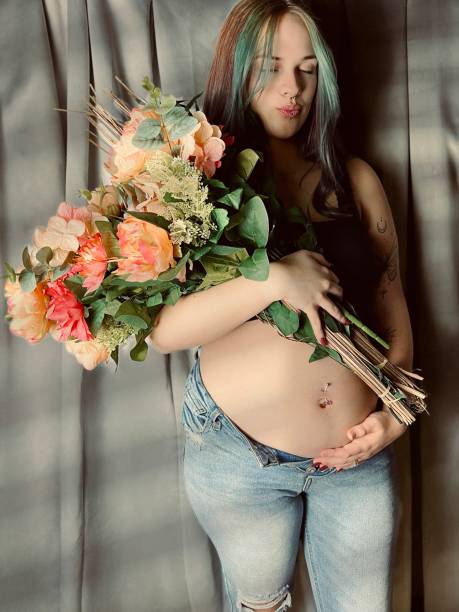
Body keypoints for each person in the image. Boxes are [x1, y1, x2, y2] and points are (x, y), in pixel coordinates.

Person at [150, 1, 413, 610]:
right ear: (236, 70)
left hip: (357, 451)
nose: (291, 89)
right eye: (270, 68)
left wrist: (395, 411)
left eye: (307, 69)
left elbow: (390, 296)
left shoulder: (355, 179)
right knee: (260, 605)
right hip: (240, 455)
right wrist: (272, 280)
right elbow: (163, 331)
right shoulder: (193, 184)